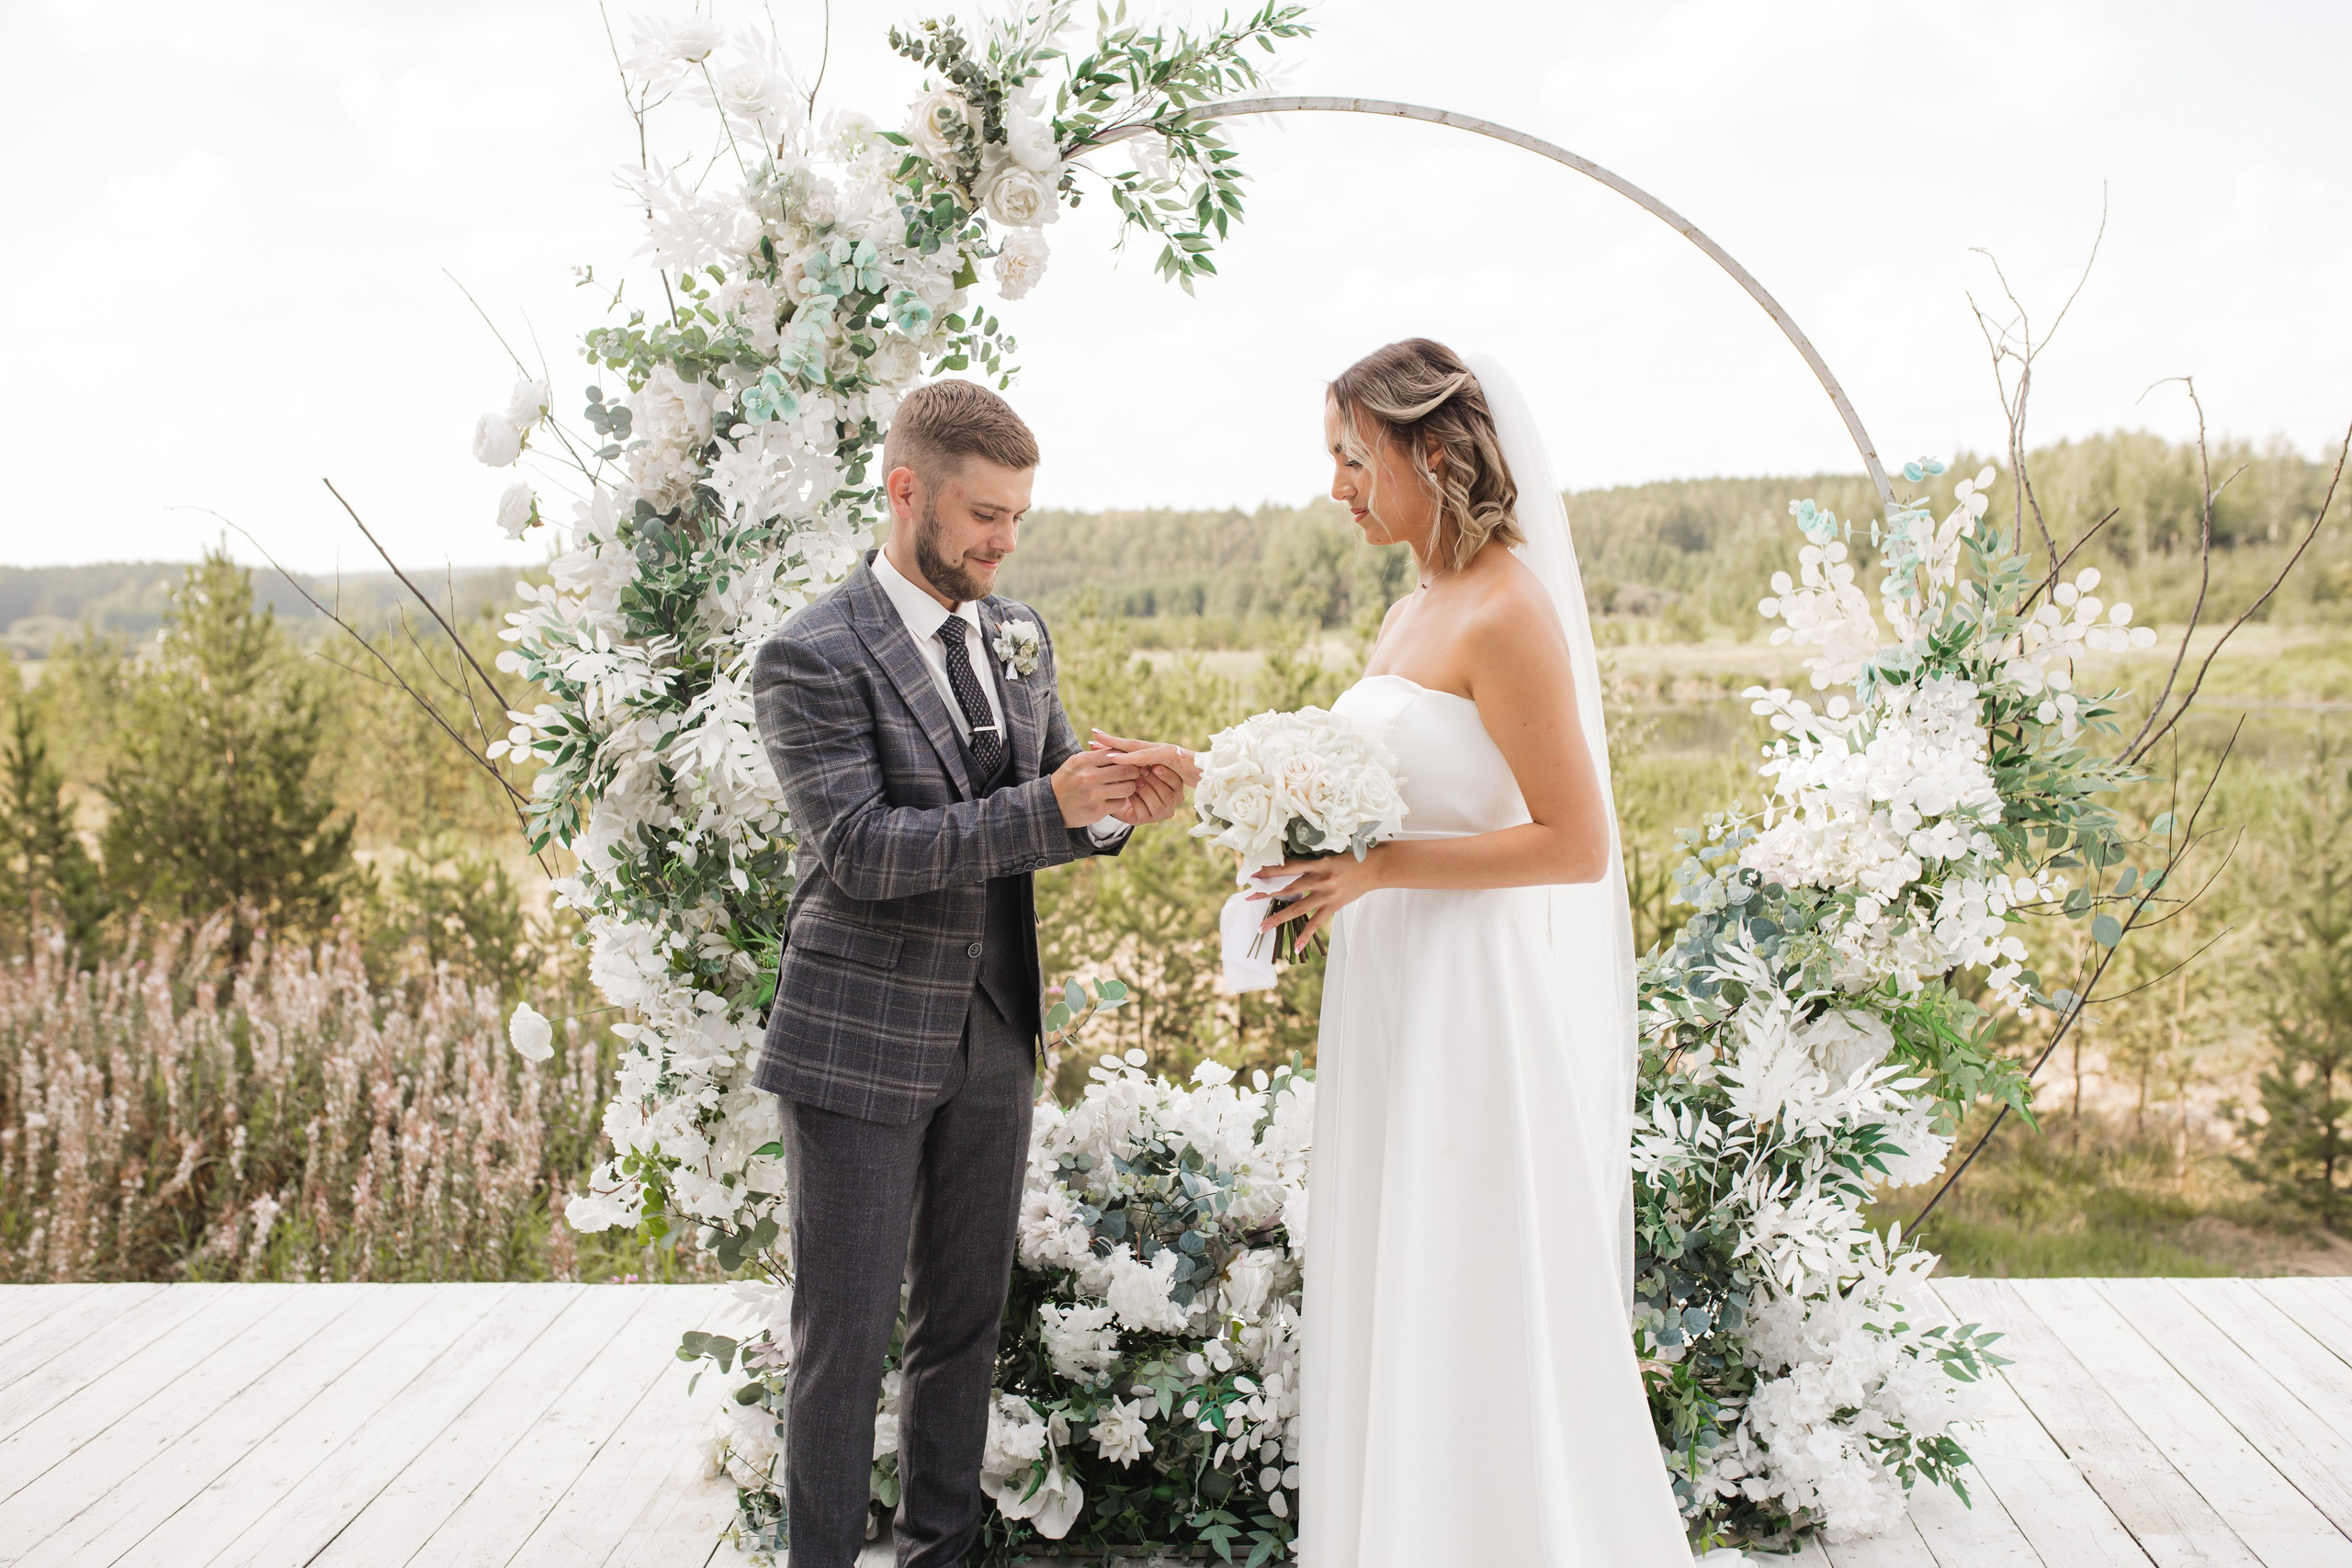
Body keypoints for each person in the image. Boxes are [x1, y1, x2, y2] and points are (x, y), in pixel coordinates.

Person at [749, 378, 1187, 1568]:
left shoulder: (1016, 631)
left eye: (1018, 518)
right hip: (858, 1038)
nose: (1005, 541)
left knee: (963, 1329)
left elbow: (1053, 793)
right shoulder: (809, 654)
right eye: (986, 515)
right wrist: (1051, 807)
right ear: (908, 492)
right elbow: (862, 851)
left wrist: (1114, 807)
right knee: (844, 1347)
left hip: (995, 1029)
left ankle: (938, 1557)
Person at [1267, 340, 1690, 1562]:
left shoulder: (1507, 610)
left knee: (1463, 1269)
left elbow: (1576, 844)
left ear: (1434, 451)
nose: (1338, 487)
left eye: (1356, 459)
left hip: (1466, 998)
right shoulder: (1411, 606)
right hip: (1387, 986)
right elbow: (1380, 792)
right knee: (1394, 1265)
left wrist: (1383, 869)